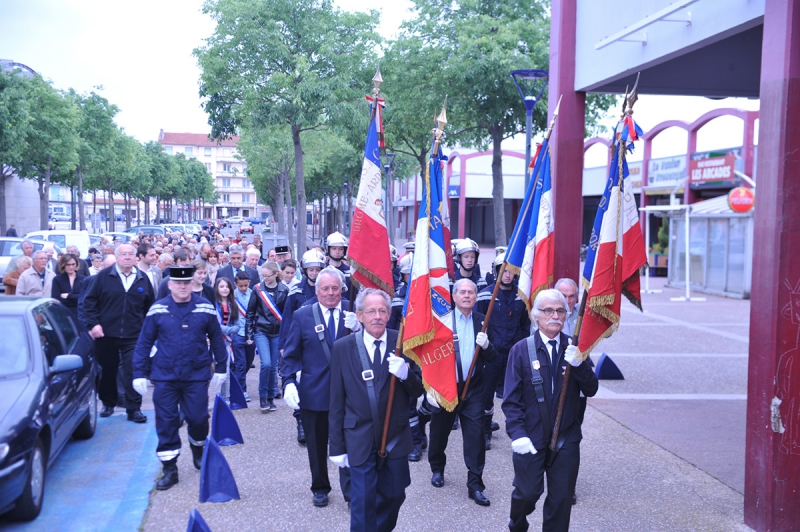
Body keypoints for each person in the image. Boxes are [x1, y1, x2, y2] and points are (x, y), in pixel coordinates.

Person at [502, 289, 598, 532]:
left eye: (560, 311)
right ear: (536, 315)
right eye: (548, 310)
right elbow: (511, 401)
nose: (555, 315)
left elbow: (591, 389)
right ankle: (517, 523)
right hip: (530, 436)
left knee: (561, 500)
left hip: (566, 437)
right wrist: (517, 434)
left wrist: (580, 365)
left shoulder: (575, 348)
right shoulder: (521, 350)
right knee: (526, 493)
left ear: (566, 315)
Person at [329, 288, 424, 531]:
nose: (377, 316)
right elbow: (337, 401)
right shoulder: (343, 347)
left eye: (382, 311)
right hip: (358, 438)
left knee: (394, 495)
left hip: (395, 436)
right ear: (359, 315)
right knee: (361, 502)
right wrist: (337, 447)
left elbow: (418, 390)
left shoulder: (403, 342)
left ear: (389, 314)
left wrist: (405, 375)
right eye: (371, 311)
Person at [132, 266, 228, 491]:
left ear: (191, 283)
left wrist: (222, 366)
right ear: (170, 285)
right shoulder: (158, 309)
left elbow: (216, 338)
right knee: (166, 421)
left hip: (196, 374)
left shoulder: (204, 307)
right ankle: (170, 468)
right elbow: (144, 342)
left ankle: (197, 449)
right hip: (165, 375)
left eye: (186, 283)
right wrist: (138, 372)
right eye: (178, 283)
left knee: (197, 418)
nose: (183, 287)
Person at [281, 267, 361, 508]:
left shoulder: (354, 311)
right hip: (314, 393)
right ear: (316, 291)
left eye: (335, 288)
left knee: (349, 444)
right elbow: (291, 355)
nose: (330, 293)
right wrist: (288, 383)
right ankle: (320, 487)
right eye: (325, 289)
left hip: (348, 394)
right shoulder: (303, 315)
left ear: (342, 289)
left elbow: (370, 345)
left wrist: (360, 327)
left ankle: (350, 492)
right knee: (316, 444)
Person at [427, 278, 497, 507]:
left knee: (476, 437)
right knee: (439, 433)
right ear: (454, 296)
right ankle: (437, 468)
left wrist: (487, 347)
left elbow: (496, 359)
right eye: (462, 292)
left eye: (471, 292)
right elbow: (429, 355)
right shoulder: (443, 321)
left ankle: (475, 484)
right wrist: (429, 385)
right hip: (447, 387)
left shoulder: (483, 321)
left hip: (473, 389)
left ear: (476, 297)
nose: (467, 295)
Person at [80, 243, 155, 423]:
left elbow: (150, 307)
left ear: (136, 257)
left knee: (133, 371)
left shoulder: (143, 279)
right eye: (123, 254)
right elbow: (89, 303)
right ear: (116, 256)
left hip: (134, 335)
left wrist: (147, 331)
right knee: (107, 371)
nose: (127, 257)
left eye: (131, 254)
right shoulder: (103, 277)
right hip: (106, 333)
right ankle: (108, 403)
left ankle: (134, 408)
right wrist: (93, 324)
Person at [476, 252, 530, 450]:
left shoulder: (521, 296)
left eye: (510, 272)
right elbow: (479, 321)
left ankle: (521, 431)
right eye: (503, 271)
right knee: (486, 394)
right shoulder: (485, 295)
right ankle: (485, 431)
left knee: (518, 393)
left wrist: (521, 345)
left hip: (514, 354)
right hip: (491, 354)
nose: (507, 275)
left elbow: (525, 325)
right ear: (496, 271)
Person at [246, 261, 288, 413]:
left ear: (276, 274)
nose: (264, 278)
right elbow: (250, 313)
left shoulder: (284, 290)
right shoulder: (257, 290)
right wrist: (249, 334)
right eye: (262, 276)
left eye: (267, 276)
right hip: (261, 330)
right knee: (266, 364)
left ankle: (271, 396)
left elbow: (286, 315)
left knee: (274, 366)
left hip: (277, 332)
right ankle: (263, 396)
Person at [213, 277, 241, 403]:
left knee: (226, 373)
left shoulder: (233, 304)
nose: (225, 289)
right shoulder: (213, 304)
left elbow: (237, 326)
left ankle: (226, 399)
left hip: (226, 343)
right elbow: (214, 325)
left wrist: (226, 330)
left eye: (227, 286)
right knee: (209, 372)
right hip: (212, 342)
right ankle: (206, 400)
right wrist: (228, 329)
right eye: (221, 286)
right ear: (216, 288)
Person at [232, 271, 256, 402]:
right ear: (235, 284)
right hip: (238, 333)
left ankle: (235, 382)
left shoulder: (253, 293)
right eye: (241, 286)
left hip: (250, 333)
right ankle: (242, 390)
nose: (243, 288)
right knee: (240, 364)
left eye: (246, 285)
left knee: (248, 361)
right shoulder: (232, 296)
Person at [51, 253, 86, 319]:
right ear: (63, 265)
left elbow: (85, 298)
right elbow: (56, 299)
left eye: (73, 264)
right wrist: (76, 298)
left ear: (77, 265)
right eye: (68, 264)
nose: (71, 267)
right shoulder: (57, 279)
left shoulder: (83, 279)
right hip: (63, 315)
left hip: (81, 315)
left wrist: (69, 296)